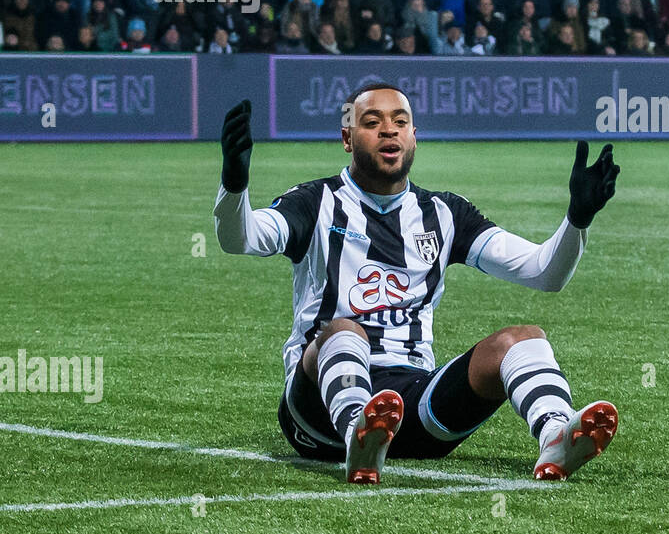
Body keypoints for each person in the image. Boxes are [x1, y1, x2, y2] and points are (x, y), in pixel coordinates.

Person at [212, 87, 621, 484]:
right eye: (372, 122)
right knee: (344, 330)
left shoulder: (445, 213)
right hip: (318, 411)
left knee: (522, 339)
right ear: (347, 139)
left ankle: (556, 434)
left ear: (413, 137)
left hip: (410, 405)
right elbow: (241, 238)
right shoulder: (315, 201)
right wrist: (234, 183)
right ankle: (360, 431)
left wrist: (577, 220)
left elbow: (544, 273)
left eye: (400, 121)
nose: (388, 130)